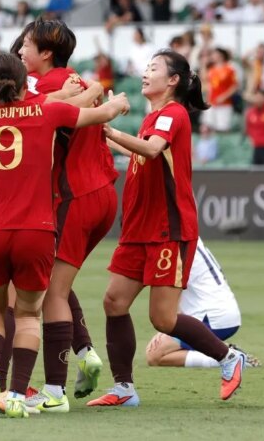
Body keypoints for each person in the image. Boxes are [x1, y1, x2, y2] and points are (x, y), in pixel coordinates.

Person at [0, 53, 129, 418]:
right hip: (35, 230)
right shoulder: (45, 112)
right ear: (26, 85)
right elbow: (96, 115)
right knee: (27, 315)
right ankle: (19, 395)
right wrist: (115, 102)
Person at [88, 50, 250, 408]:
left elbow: (149, 149)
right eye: (145, 67)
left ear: (173, 80)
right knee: (114, 302)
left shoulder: (173, 114)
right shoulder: (154, 117)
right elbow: (139, 152)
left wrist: (108, 126)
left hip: (167, 230)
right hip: (138, 230)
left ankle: (228, 358)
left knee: (162, 318)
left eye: (153, 68)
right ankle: (124, 388)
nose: (145, 73)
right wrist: (99, 130)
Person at [16, 19, 120, 414]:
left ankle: (54, 391)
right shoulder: (77, 79)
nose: (20, 51)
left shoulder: (45, 86)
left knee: (50, 293)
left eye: (26, 45)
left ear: (45, 53)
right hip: (104, 195)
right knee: (57, 277)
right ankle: (86, 351)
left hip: (73, 196)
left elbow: (37, 112)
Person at [145, 237, 260, 369]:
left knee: (155, 355)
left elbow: (171, 286)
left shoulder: (172, 241)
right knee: (156, 351)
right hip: (221, 312)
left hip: (210, 317)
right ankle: (227, 352)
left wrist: (168, 327)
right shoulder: (187, 237)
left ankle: (231, 358)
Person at [202, 48, 238, 133]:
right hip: (211, 103)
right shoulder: (211, 69)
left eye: (215, 54)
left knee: (223, 128)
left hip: (224, 104)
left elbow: (235, 86)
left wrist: (224, 96)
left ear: (221, 56)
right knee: (208, 127)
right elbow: (205, 80)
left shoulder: (229, 69)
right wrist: (204, 64)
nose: (213, 56)